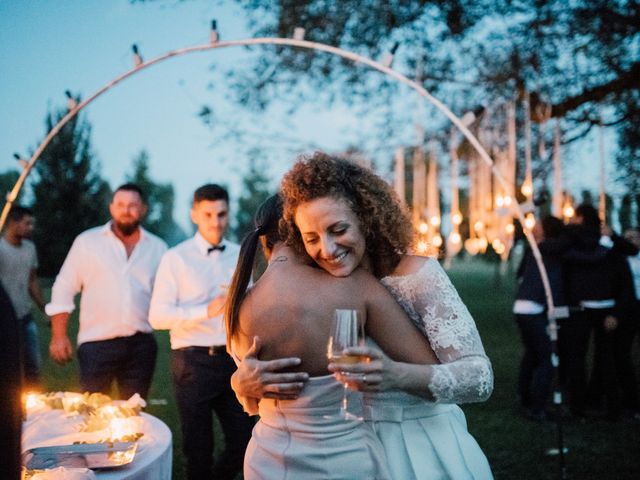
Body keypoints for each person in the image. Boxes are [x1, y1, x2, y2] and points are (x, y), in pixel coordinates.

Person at [235, 152, 494, 480]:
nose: (327, 250)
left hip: (418, 444)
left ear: (366, 217)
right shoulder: (325, 283)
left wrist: (397, 375)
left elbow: (480, 378)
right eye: (312, 238)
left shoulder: (418, 273)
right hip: (348, 452)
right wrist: (241, 384)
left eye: (337, 229)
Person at [225, 194, 440, 479]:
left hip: (267, 459)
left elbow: (251, 400)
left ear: (266, 242)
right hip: (344, 458)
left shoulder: (235, 303)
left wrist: (237, 383)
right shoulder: (355, 287)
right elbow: (430, 369)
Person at [149, 184, 253, 480]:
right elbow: (157, 316)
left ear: (228, 214)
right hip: (192, 362)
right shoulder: (176, 258)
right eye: (208, 214)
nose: (215, 221)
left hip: (233, 360)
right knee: (198, 449)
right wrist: (204, 310)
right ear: (195, 214)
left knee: (245, 441)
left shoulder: (239, 254)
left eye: (221, 214)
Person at [46, 183, 167, 400]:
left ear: (143, 209)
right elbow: (64, 286)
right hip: (96, 344)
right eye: (120, 204)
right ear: (111, 208)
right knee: (92, 411)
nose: (126, 210)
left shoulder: (157, 248)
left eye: (133, 205)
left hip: (141, 345)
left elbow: (167, 292)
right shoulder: (87, 242)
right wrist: (58, 335)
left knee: (134, 414)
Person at [560, 204, 634, 419]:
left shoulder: (573, 240)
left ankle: (579, 407)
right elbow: (626, 277)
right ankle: (610, 407)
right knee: (605, 358)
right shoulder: (609, 245)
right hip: (604, 309)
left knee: (578, 358)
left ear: (580, 217)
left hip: (582, 309)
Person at [513, 215, 566, 421]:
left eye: (538, 225)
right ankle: (538, 408)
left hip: (523, 306)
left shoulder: (537, 249)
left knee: (532, 354)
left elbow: (520, 275)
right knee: (546, 359)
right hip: (533, 308)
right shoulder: (548, 250)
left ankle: (524, 397)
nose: (533, 228)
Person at [0, 205, 46, 388]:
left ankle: (32, 407)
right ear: (13, 222)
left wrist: (45, 308)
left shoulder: (30, 248)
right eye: (27, 223)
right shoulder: (1, 248)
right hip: (4, 320)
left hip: (25, 316)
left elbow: (32, 281)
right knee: (9, 367)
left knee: (33, 366)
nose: (31, 227)